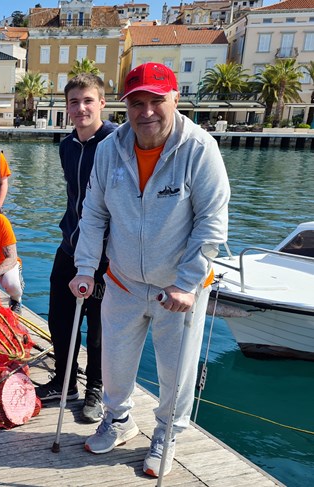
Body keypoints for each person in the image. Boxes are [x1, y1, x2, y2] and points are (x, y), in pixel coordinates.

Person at [69, 62, 230, 477]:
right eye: (137, 102)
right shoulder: (110, 149)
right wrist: (86, 267)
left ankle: (167, 434)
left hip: (177, 288)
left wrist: (188, 282)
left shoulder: (199, 148)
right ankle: (119, 420)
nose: (146, 112)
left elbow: (211, 222)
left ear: (174, 98)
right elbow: (93, 214)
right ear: (125, 106)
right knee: (115, 365)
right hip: (122, 281)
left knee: (174, 372)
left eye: (156, 100)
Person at [34, 74, 116, 426]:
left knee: (98, 324)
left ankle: (95, 387)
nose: (80, 108)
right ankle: (65, 381)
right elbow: (75, 197)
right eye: (73, 102)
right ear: (66, 107)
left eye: (88, 100)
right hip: (70, 244)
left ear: (101, 103)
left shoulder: (115, 142)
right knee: (59, 316)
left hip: (106, 254)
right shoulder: (66, 145)